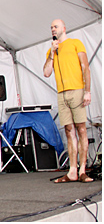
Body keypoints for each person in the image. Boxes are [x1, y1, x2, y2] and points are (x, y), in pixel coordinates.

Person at [43, 19, 93, 183]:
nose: (53, 29)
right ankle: (72, 171)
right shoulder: (52, 50)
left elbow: (85, 67)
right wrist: (51, 53)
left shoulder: (75, 43)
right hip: (61, 94)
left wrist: (87, 91)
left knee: (81, 129)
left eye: (55, 26)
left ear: (64, 28)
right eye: (51, 27)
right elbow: (46, 73)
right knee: (69, 130)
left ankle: (83, 169)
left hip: (77, 90)